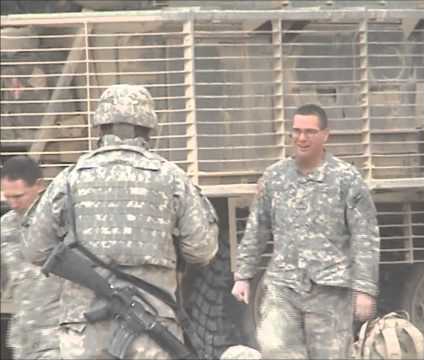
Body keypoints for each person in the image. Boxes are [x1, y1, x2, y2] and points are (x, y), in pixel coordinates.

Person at [23, 84, 219, 359]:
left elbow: (35, 249)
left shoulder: (68, 179)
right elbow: (201, 250)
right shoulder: (171, 178)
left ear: (100, 127)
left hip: (84, 332)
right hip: (152, 331)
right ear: (149, 128)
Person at [231, 104, 380, 359]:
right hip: (283, 288)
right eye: (297, 131)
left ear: (325, 135)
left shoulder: (347, 179)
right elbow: (257, 229)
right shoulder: (274, 177)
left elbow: (364, 237)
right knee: (275, 350)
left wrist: (364, 290)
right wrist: (243, 276)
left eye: (310, 131)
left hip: (329, 292)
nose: (302, 138)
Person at [1, 155, 63, 359]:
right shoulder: (5, 225)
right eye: (7, 196)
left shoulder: (60, 221)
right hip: (23, 336)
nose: (13, 203)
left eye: (18, 196)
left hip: (56, 335)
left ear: (39, 186)